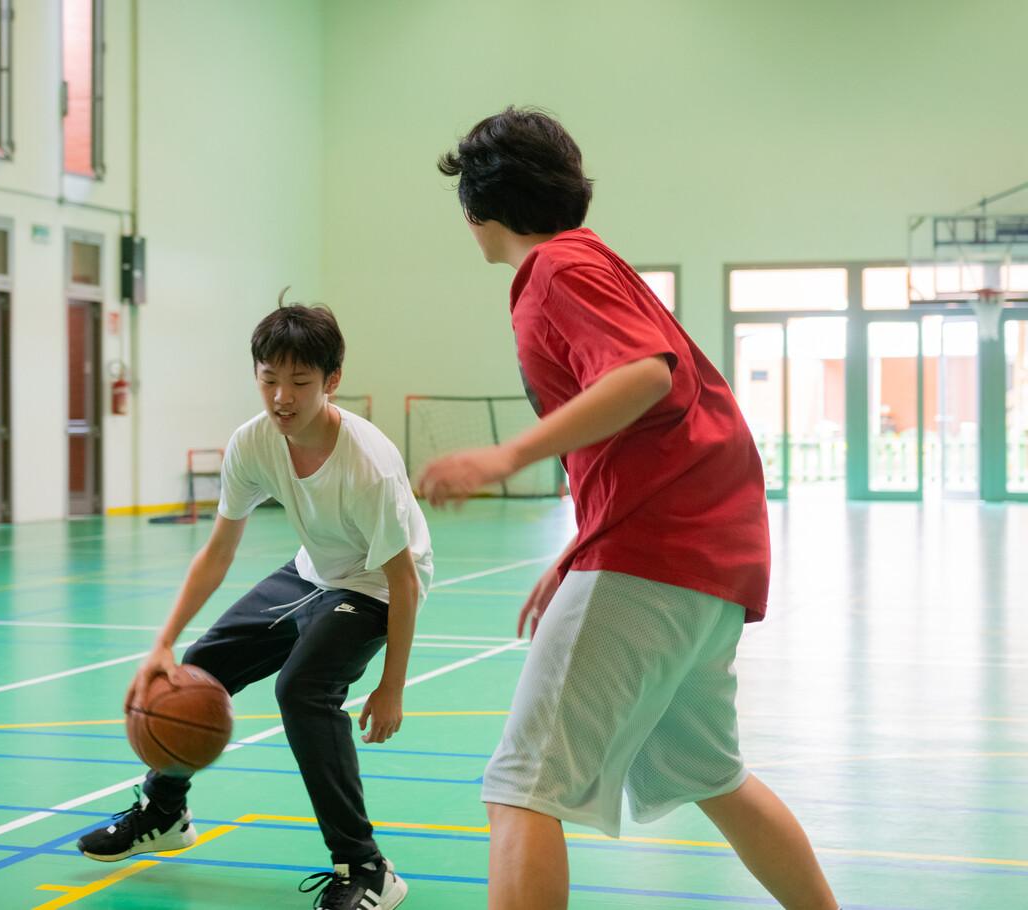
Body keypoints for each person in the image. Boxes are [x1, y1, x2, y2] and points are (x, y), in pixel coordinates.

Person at [421, 108, 839, 910]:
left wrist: (506, 456)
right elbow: (655, 430)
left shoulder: (556, 271)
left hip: (658, 552)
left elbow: (645, 376)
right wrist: (581, 547)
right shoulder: (593, 259)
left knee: (522, 785)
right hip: (708, 558)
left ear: (477, 209)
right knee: (714, 775)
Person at [77, 295, 431, 910]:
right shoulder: (253, 442)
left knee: (302, 689)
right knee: (200, 664)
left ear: (332, 381)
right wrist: (162, 643)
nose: (282, 398)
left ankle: (367, 867)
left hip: (373, 584)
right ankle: (164, 815)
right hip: (312, 571)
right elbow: (217, 552)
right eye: (270, 380)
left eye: (300, 382)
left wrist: (393, 683)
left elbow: (403, 580)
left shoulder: (369, 464)